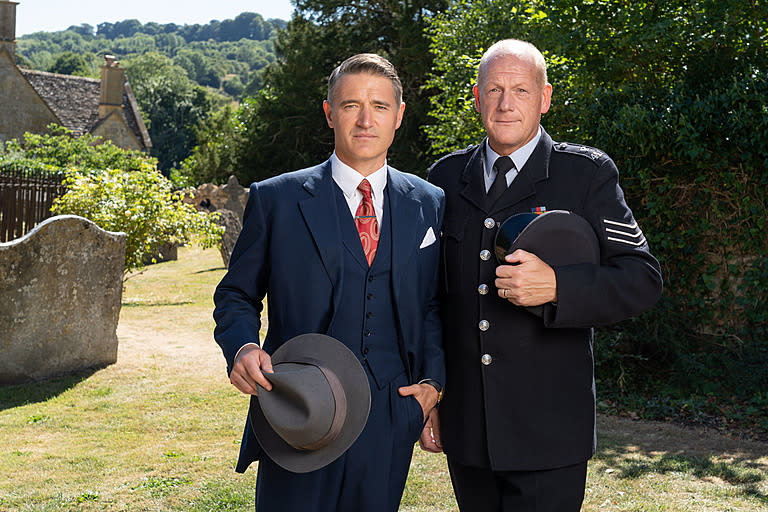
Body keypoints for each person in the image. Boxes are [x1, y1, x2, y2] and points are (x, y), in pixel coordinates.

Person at [424, 39, 663, 511]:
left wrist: (558, 286)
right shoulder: (445, 179)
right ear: (476, 97)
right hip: (469, 427)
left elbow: (642, 279)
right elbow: (428, 299)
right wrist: (431, 388)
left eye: (520, 90)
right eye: (494, 90)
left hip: (549, 432)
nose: (506, 103)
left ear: (545, 98)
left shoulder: (586, 176)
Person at [213, 53, 446, 512]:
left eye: (379, 106)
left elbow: (434, 304)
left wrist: (431, 385)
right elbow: (236, 293)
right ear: (329, 113)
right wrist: (242, 347)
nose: (365, 119)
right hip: (299, 404)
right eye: (350, 105)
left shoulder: (429, 201)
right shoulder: (276, 199)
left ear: (398, 116)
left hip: (392, 412)